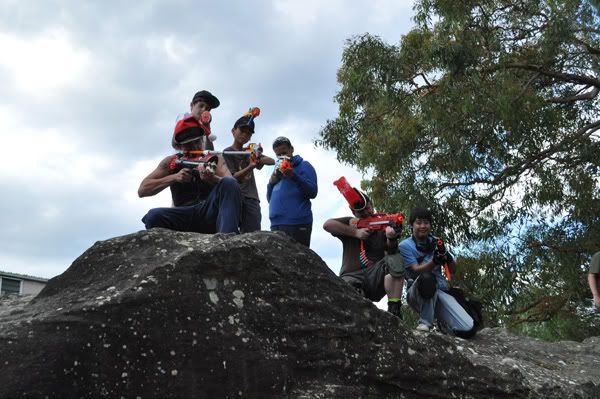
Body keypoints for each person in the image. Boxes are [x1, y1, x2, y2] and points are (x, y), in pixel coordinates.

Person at [138, 90, 241, 233]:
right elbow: (143, 189)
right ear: (180, 145)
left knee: (228, 183)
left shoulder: (213, 158)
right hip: (183, 214)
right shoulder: (171, 161)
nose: (193, 146)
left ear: (202, 139)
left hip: (208, 212)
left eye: (196, 141)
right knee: (152, 216)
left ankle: (228, 240)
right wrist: (174, 177)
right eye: (188, 143)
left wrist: (212, 179)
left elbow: (232, 185)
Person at [323, 189, 404, 318]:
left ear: (372, 205)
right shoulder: (351, 223)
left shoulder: (383, 223)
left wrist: (392, 238)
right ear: (353, 212)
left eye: (368, 208)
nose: (367, 212)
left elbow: (392, 254)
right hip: (351, 277)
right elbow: (327, 225)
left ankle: (394, 309)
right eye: (361, 211)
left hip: (374, 277)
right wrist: (355, 233)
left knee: (395, 260)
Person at [399, 208, 474, 333]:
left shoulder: (436, 241)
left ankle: (445, 326)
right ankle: (425, 323)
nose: (423, 226)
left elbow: (453, 270)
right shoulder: (404, 246)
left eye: (426, 222)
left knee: (468, 329)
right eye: (419, 223)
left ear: (430, 225)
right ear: (411, 225)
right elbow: (416, 270)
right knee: (427, 278)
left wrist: (447, 257)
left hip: (440, 290)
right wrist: (434, 262)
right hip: (417, 292)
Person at [223, 111, 274, 233]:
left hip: (251, 198)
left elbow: (271, 161)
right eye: (242, 131)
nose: (244, 135)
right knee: (230, 233)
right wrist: (250, 166)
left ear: (250, 137)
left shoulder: (249, 151)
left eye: (248, 133)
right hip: (235, 197)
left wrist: (257, 155)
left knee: (253, 235)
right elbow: (233, 177)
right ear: (233, 131)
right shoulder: (227, 152)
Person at [267, 136, 317, 247]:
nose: (282, 157)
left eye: (284, 152)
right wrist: (271, 183)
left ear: (292, 149)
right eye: (278, 155)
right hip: (276, 224)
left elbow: (313, 192)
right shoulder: (277, 169)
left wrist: (293, 176)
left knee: (299, 262)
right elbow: (269, 199)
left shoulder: (304, 166)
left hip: (297, 223)